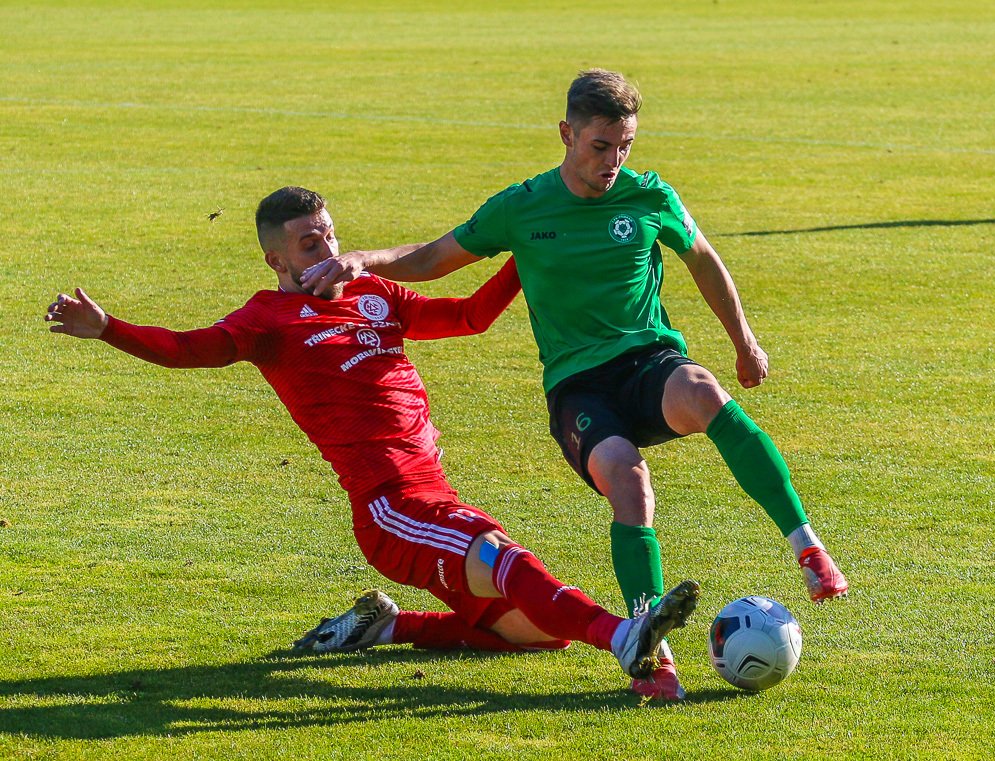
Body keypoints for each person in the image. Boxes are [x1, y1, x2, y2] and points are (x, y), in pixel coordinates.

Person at [297, 70, 849, 699]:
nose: (613, 161)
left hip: (648, 364)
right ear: (567, 134)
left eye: (625, 147)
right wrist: (360, 259)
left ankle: (808, 549)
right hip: (578, 388)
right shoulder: (523, 206)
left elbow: (703, 259)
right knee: (626, 476)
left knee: (704, 391)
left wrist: (744, 342)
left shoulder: (649, 196)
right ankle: (651, 643)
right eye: (600, 146)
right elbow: (431, 258)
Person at [45, 185, 700, 702]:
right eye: (307, 243)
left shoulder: (372, 292)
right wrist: (108, 328)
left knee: (538, 633)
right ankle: (623, 635)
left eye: (328, 232)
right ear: (276, 259)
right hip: (390, 507)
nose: (325, 246)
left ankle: (388, 625)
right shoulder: (265, 319)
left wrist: (525, 257)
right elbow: (189, 349)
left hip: (431, 493)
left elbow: (469, 316)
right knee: (501, 555)